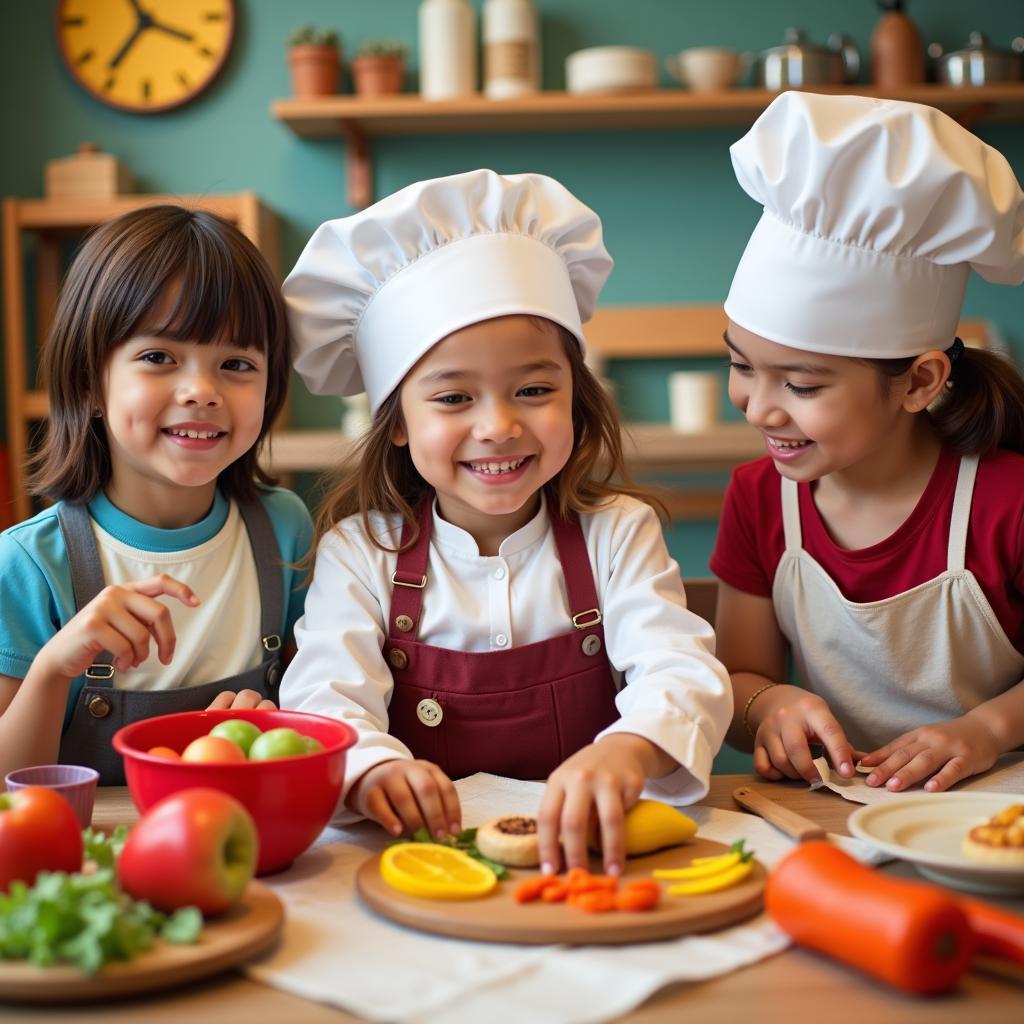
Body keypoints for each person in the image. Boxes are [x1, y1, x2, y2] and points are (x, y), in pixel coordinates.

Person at [281, 169, 731, 874]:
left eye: (534, 389)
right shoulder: (359, 552)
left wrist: (628, 749)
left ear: (576, 398)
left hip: (590, 858)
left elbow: (679, 669)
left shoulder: (619, 532)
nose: (498, 426)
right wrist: (369, 770)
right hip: (423, 859)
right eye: (454, 397)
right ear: (397, 422)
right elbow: (324, 697)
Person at [710, 92, 1024, 795]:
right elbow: (737, 678)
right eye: (740, 365)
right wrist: (771, 707)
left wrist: (985, 731)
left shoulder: (1008, 501)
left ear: (918, 381)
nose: (760, 408)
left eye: (803, 385)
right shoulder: (759, 498)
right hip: (840, 813)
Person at [0, 206, 313, 786]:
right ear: (91, 382)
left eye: (237, 363)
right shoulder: (29, 565)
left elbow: (312, 705)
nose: (201, 391)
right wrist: (51, 670)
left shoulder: (284, 529)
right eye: (158, 358)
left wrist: (277, 728)